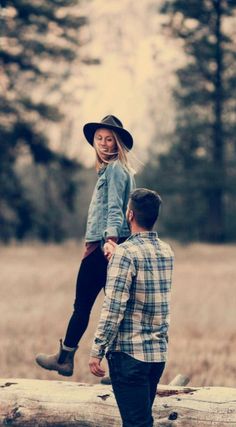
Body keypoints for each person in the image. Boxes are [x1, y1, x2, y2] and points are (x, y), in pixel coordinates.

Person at [35, 115, 135, 376]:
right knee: (116, 307)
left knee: (84, 305)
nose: (103, 144)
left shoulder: (114, 170)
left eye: (109, 139)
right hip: (103, 244)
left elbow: (115, 209)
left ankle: (65, 358)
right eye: (99, 139)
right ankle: (118, 371)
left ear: (118, 144)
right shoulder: (115, 170)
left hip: (106, 247)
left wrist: (109, 241)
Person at [89, 188, 174, 427]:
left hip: (129, 354)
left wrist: (97, 349)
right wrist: (119, 257)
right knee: (141, 421)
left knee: (137, 424)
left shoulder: (125, 254)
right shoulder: (167, 251)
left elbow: (114, 306)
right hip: (156, 355)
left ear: (129, 215)